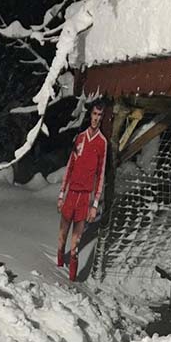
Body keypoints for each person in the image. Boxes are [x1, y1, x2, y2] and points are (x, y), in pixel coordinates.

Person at [57, 100, 108, 281]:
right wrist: (61, 194)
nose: (96, 118)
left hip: (85, 198)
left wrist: (95, 204)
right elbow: (70, 167)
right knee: (62, 237)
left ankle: (71, 282)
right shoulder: (80, 138)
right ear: (90, 115)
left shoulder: (102, 143)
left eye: (100, 115)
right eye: (94, 114)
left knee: (75, 243)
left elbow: (100, 174)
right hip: (71, 193)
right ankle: (56, 270)